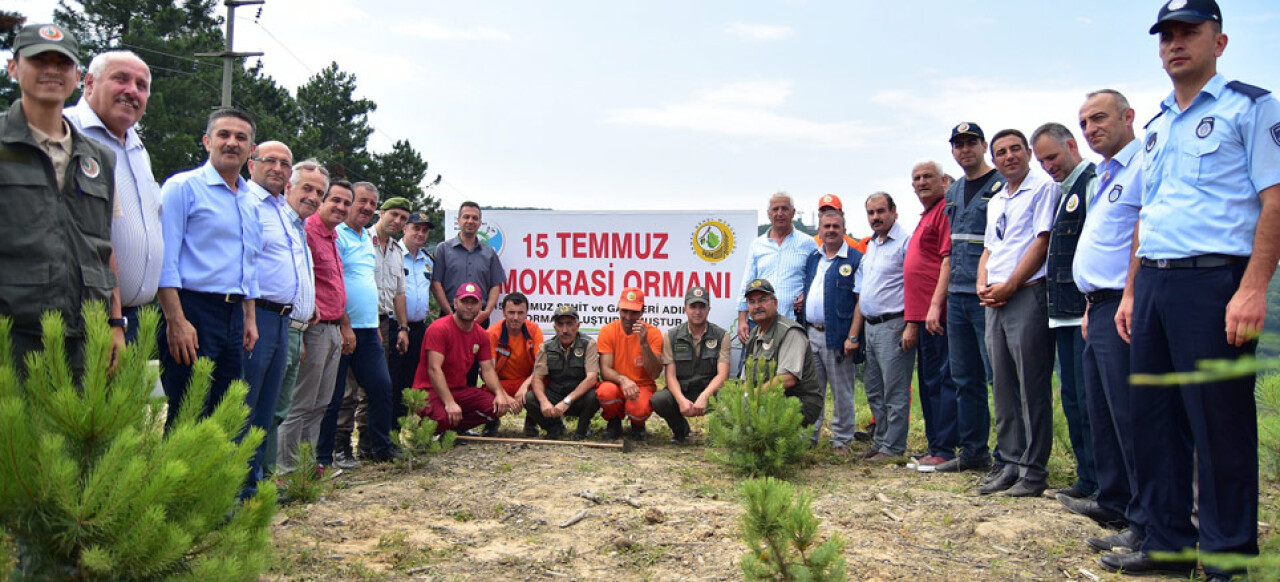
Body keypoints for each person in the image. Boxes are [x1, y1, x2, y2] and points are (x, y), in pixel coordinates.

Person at [1103, 2, 1280, 577]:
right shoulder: (1155, 128)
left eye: (1189, 33)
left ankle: (1227, 558)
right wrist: (1131, 292)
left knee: (1218, 424)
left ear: (1219, 42)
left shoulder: (1251, 108)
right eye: (1167, 36)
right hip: (1153, 281)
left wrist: (1253, 289)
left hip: (1214, 282)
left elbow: (1274, 200)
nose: (1175, 44)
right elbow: (1145, 215)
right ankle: (1166, 542)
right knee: (1153, 419)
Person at [2, 24, 122, 376]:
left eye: (63, 62)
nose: (52, 70)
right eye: (40, 60)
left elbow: (104, 247)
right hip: (13, 335)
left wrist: (116, 322)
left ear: (77, 75)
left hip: (86, 337)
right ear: (13, 67)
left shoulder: (99, 158)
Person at [1068, 89, 1147, 552]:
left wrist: (1128, 296)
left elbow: (1139, 235)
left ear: (1128, 116)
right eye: (1084, 122)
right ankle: (1115, 500)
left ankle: (1146, 518)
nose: (1091, 128)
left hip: (1123, 304)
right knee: (1103, 412)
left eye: (1099, 118)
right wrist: (1087, 304)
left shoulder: (1141, 166)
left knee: (1130, 414)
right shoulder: (1104, 175)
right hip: (1097, 305)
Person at [156, 107, 260, 427]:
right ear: (206, 141)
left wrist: (249, 318)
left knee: (222, 415)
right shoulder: (182, 188)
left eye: (241, 137)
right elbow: (164, 259)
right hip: (192, 311)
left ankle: (214, 480)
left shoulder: (249, 200)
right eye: (223, 135)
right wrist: (176, 321)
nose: (232, 143)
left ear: (251, 149)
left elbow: (249, 263)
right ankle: (177, 479)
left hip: (232, 318)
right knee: (187, 413)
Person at [975, 129, 1059, 498]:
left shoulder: (1042, 189)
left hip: (1025, 294)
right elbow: (989, 249)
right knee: (1003, 385)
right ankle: (1008, 462)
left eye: (1014, 150)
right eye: (1001, 153)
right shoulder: (996, 200)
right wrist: (984, 282)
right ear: (994, 161)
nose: (1008, 157)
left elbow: (1042, 241)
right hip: (995, 300)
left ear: (1027, 152)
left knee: (1031, 386)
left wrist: (1010, 284)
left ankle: (1033, 470)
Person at [65, 50, 160, 346]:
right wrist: (111, 316)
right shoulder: (65, 130)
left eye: (141, 86)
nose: (132, 90)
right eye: (121, 79)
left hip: (135, 319)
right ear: (89, 83)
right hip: (85, 316)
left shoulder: (137, 147)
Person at [1031, 122, 1099, 500]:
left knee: (1089, 400)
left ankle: (1104, 483)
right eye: (1042, 161)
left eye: (1052, 157)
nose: (1048, 166)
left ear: (1071, 145)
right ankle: (1086, 477)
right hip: (1061, 311)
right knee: (1071, 398)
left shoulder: (1091, 181)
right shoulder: (1060, 191)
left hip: (1084, 310)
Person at [934, 122, 1001, 477]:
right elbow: (949, 250)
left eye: (971, 142)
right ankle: (974, 451)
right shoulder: (954, 191)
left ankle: (1008, 456)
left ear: (983, 145)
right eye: (958, 145)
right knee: (964, 378)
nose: (965, 149)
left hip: (990, 295)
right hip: (957, 295)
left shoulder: (1002, 184)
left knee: (998, 377)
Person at [241, 140, 307, 493]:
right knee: (246, 405)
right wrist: (249, 317)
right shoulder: (246, 202)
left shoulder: (282, 210)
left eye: (285, 163)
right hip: (256, 315)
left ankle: (255, 484)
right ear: (252, 163)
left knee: (267, 409)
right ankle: (237, 487)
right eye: (270, 160)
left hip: (284, 320)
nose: (278, 168)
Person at [317, 182, 398, 467]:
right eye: (362, 201)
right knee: (336, 395)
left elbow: (366, 283)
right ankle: (331, 453)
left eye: (372, 204)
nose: (366, 207)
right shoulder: (335, 235)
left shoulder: (366, 238)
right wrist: (345, 324)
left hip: (368, 328)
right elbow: (332, 284)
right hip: (340, 326)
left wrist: (373, 323)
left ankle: (377, 447)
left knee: (380, 387)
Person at [276, 180, 351, 472]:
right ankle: (286, 469)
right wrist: (301, 334)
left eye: (346, 202)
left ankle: (307, 466)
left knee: (321, 403)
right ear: (322, 202)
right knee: (300, 403)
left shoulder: (332, 237)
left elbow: (334, 287)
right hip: (313, 329)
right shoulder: (307, 232)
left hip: (333, 329)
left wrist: (344, 325)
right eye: (335, 200)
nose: (341, 207)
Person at [332, 194, 412, 465]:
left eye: (403, 218)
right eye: (394, 214)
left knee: (378, 387)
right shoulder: (359, 239)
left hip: (381, 321)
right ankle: (341, 445)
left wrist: (403, 327)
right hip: (349, 320)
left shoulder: (397, 251)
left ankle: (372, 442)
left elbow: (399, 292)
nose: (397, 221)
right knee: (347, 389)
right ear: (381, 213)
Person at [263, 159, 326, 474]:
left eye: (319, 193)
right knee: (267, 409)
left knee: (279, 409)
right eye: (307, 188)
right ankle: (260, 478)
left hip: (295, 328)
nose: (314, 197)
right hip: (271, 323)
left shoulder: (299, 228)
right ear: (288, 186)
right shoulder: (274, 219)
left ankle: (266, 478)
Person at [848, 193, 913, 463]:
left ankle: (894, 448)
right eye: (871, 213)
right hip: (871, 327)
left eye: (881, 211)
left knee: (894, 390)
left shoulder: (905, 243)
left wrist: (912, 324)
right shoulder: (872, 245)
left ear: (894, 212)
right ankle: (881, 441)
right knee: (874, 387)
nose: (876, 217)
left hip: (894, 324)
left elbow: (914, 285)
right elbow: (863, 291)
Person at [905, 161, 959, 472]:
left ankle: (945, 449)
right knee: (928, 382)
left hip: (937, 315)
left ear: (943, 181)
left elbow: (947, 260)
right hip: (922, 316)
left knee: (942, 380)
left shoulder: (945, 211)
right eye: (917, 178)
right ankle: (934, 444)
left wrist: (936, 305)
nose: (922, 182)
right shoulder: (926, 216)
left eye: (928, 177)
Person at [412, 282, 521, 433]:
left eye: (474, 302)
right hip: (429, 391)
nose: (469, 307)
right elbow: (434, 369)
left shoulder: (481, 334)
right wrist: (449, 402)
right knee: (443, 418)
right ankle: (426, 429)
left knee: (496, 408)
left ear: (480, 306)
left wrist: (500, 394)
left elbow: (488, 370)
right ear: (455, 303)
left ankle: (451, 429)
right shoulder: (439, 328)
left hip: (459, 391)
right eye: (465, 302)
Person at [796, 210, 862, 452]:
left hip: (838, 336)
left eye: (836, 226)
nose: (831, 230)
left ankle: (842, 440)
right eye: (827, 226)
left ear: (844, 229)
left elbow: (860, 301)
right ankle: (810, 437)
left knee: (841, 391)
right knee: (812, 390)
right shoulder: (814, 258)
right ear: (819, 231)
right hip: (810, 333)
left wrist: (853, 336)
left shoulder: (854, 259)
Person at [653, 286, 732, 444]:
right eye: (693, 306)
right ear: (685, 309)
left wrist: (704, 396)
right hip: (683, 391)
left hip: (708, 391)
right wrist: (681, 400)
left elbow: (722, 375)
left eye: (702, 306)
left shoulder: (722, 336)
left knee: (730, 397)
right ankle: (680, 429)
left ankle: (717, 433)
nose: (697, 311)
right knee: (659, 399)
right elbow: (670, 375)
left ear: (708, 309)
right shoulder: (672, 336)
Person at [736, 193, 818, 344]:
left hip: (792, 322)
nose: (780, 213)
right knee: (755, 367)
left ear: (793, 212)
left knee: (791, 367)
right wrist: (742, 320)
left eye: (785, 209)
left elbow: (817, 279)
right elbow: (747, 282)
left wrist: (806, 295)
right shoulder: (757, 245)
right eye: (775, 209)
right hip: (760, 321)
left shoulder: (808, 243)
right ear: (769, 214)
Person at [741, 279, 822, 426]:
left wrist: (750, 399)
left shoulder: (790, 331)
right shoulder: (754, 334)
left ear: (775, 303)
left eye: (762, 300)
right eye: (752, 302)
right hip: (768, 400)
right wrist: (744, 400)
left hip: (797, 402)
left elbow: (788, 379)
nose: (757, 306)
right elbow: (747, 378)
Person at [387, 210, 435, 434]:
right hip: (394, 326)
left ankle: (400, 430)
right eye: (416, 228)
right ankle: (386, 432)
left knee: (411, 381)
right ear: (405, 228)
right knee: (391, 380)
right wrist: (401, 327)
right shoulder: (392, 253)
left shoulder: (428, 260)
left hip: (418, 328)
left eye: (424, 230)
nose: (420, 233)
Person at [596, 287, 664, 440]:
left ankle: (637, 425)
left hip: (642, 386)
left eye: (634, 312)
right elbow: (605, 369)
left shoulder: (652, 333)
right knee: (605, 392)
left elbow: (654, 373)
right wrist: (623, 380)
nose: (628, 317)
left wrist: (644, 344)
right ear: (618, 309)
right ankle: (614, 422)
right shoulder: (608, 331)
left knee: (639, 410)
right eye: (624, 311)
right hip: (616, 383)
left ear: (642, 312)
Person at [525, 304, 601, 440]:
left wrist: (567, 401)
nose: (565, 330)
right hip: (556, 394)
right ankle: (554, 428)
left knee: (595, 395)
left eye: (569, 324)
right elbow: (537, 378)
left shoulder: (588, 344)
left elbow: (591, 378)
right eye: (560, 324)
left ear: (578, 326)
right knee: (530, 398)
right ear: (555, 327)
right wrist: (544, 402)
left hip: (578, 397)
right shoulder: (546, 347)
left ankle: (583, 429)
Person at [486, 292, 544, 436]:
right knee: (485, 394)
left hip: (526, 382)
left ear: (526, 314)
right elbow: (488, 371)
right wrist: (503, 395)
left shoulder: (534, 330)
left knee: (544, 383)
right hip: (501, 383)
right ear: (504, 312)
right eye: (511, 312)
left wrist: (525, 386)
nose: (515, 317)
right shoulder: (492, 333)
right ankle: (491, 422)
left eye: (520, 313)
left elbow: (541, 364)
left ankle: (532, 422)